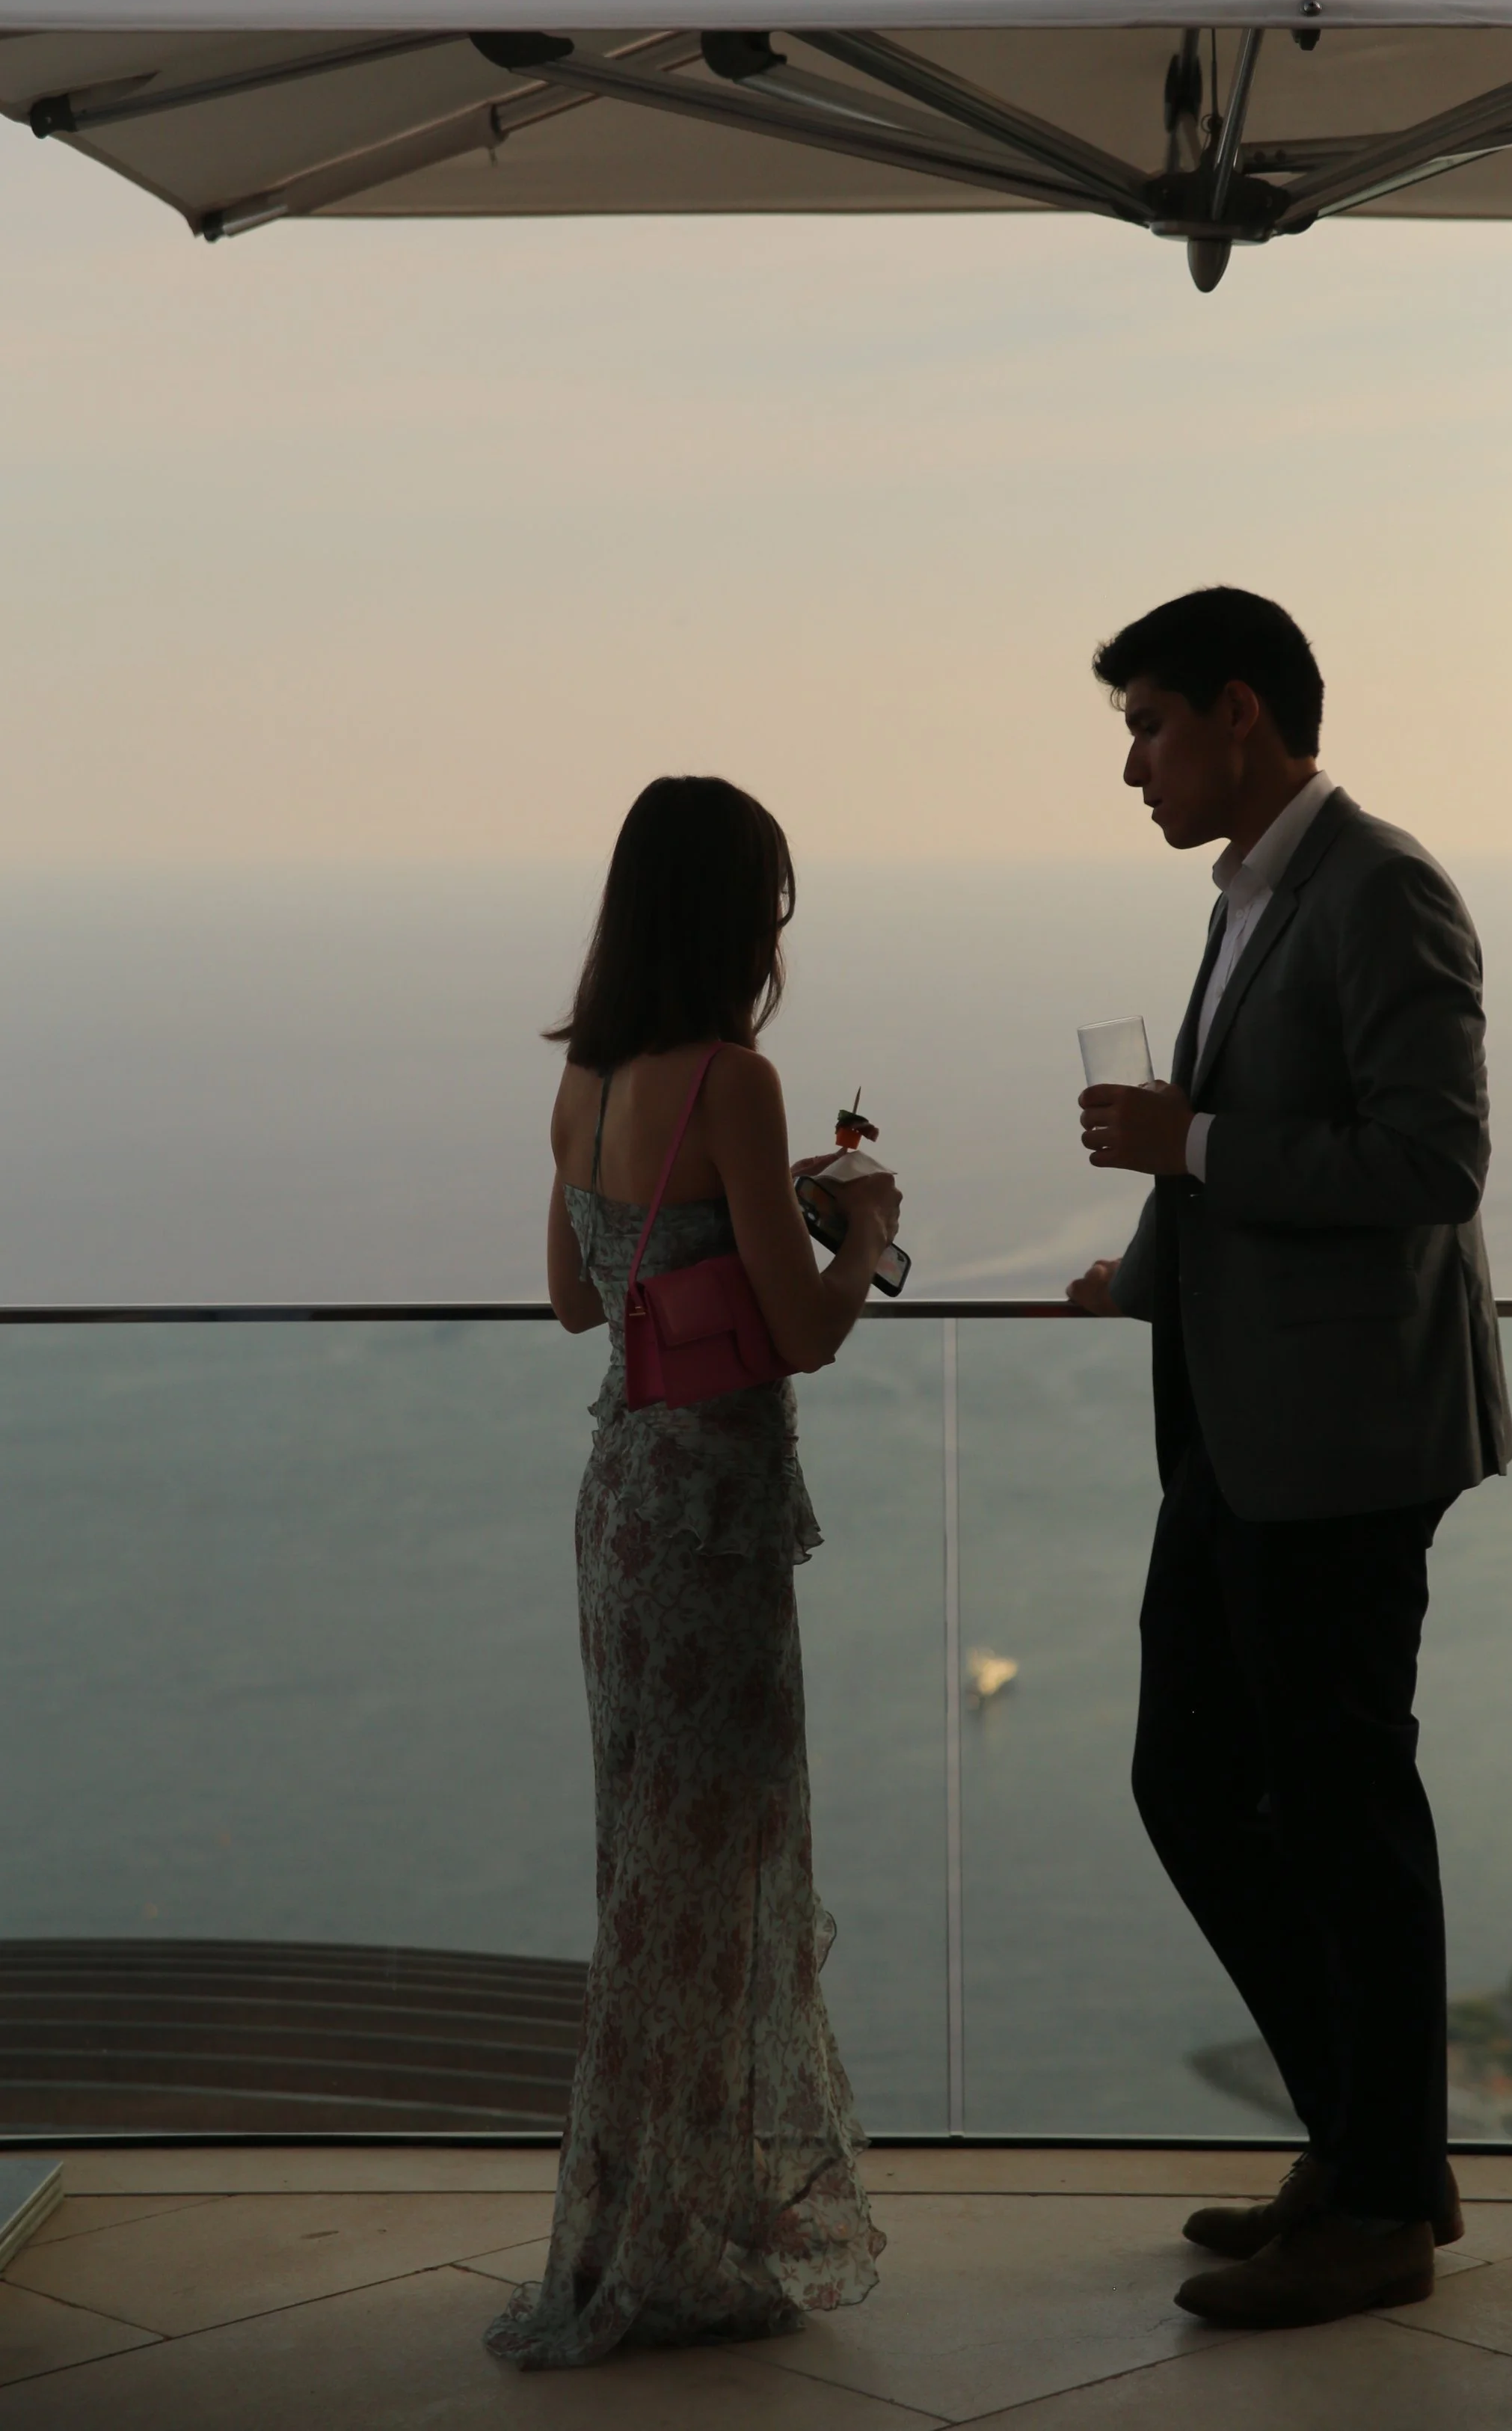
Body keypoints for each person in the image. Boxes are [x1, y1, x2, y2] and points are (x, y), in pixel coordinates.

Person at [1069, 588, 1512, 2331]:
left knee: (1341, 1808)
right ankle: (1364, 2142)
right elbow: (1248, 1162)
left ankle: (1381, 2201)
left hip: (1339, 1440)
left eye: (1149, 727)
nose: (1132, 769)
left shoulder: (1378, 887)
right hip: (1247, 1425)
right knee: (1190, 1776)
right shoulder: (1252, 900)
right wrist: (1154, 1266)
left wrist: (1194, 1140)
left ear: (1239, 715)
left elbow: (1429, 1164)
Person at [485, 774, 899, 2369]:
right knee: (713, 1881)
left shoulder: (584, 1082)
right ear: (733, 916)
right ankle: (674, 2244)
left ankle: (636, 2221)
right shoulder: (737, 1077)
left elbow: (576, 1302)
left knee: (647, 1878)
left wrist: (746, 1230)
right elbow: (797, 1333)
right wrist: (855, 1228)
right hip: (715, 1522)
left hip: (618, 1505)